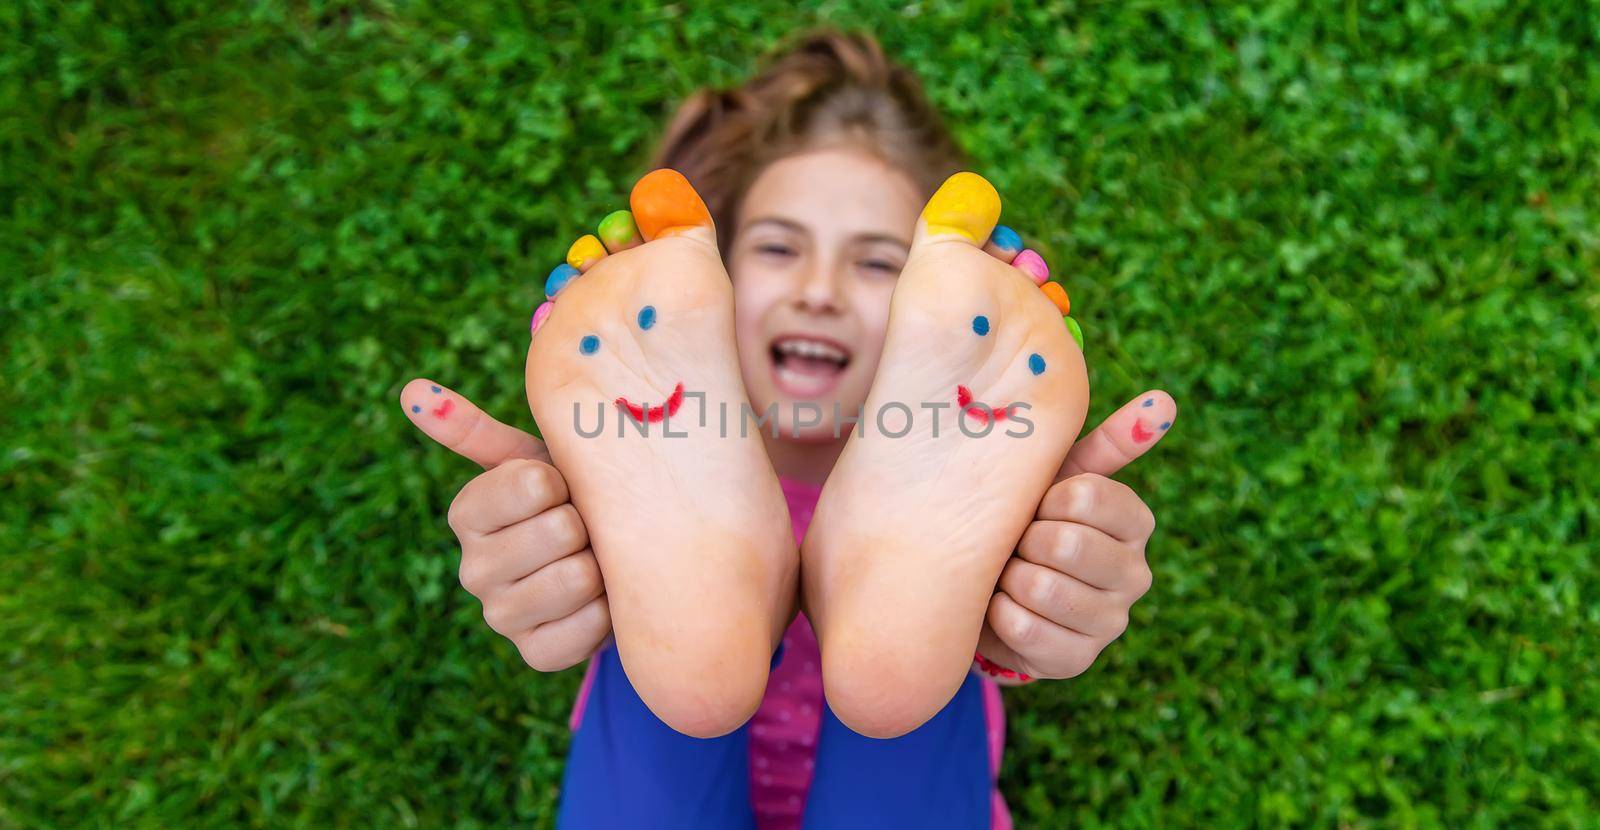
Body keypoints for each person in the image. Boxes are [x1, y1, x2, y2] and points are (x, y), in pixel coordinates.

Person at [400, 31, 1176, 829]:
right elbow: (562, 565)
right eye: (777, 247)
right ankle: (722, 597)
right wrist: (559, 541)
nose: (820, 290)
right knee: (692, 672)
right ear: (716, 287)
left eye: (879, 264)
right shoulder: (617, 480)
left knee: (899, 667)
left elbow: (1033, 605)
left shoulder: (989, 487)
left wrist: (1029, 592)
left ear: (925, 322)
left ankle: (899, 607)